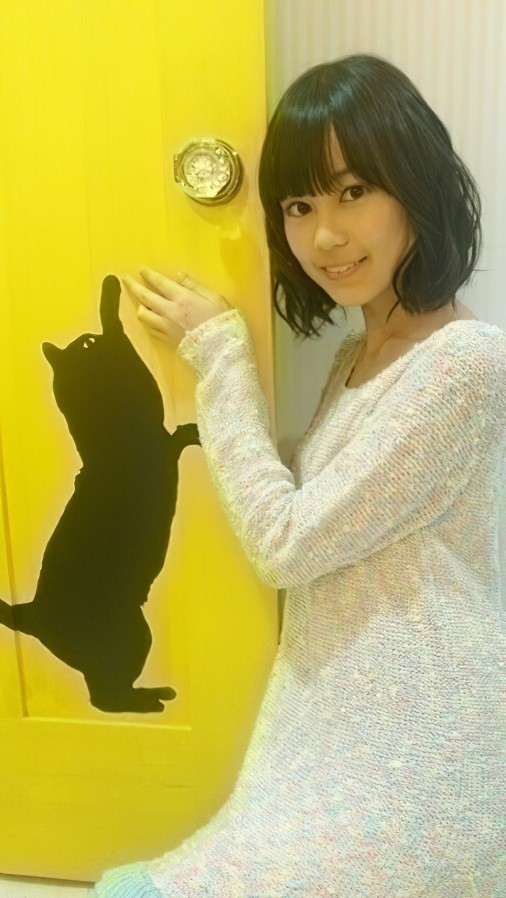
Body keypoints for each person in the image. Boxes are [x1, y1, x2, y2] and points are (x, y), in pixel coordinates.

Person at [94, 53, 506, 898]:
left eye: (354, 191)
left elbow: (287, 543)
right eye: (299, 205)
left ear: (416, 187)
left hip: (426, 748)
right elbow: (326, 512)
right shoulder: (359, 356)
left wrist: (220, 358)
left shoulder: (464, 364)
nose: (324, 236)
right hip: (338, 730)